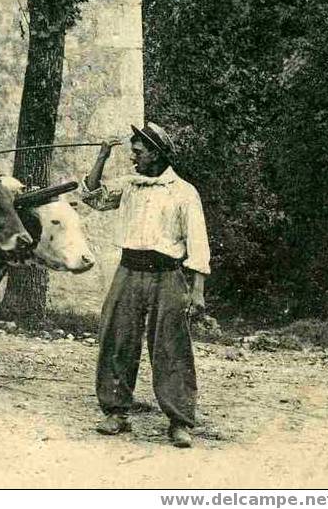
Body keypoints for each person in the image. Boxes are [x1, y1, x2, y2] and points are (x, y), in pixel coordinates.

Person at [82, 122, 210, 448]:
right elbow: (93, 197)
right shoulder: (129, 185)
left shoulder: (183, 192)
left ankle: (180, 420)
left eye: (138, 152)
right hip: (128, 271)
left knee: (171, 347)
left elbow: (198, 243)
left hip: (167, 275)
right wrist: (102, 155)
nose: (133, 157)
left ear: (155, 154)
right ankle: (115, 412)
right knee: (117, 338)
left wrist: (196, 292)